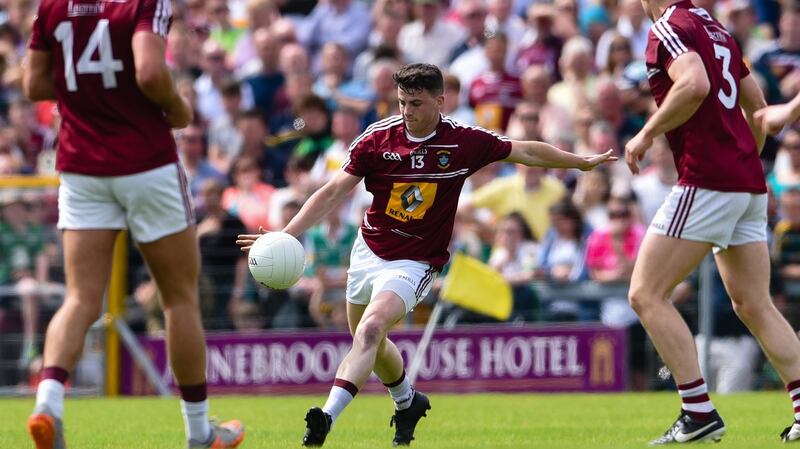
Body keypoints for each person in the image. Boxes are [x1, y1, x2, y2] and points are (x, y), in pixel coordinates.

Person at [237, 63, 615, 447]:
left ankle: (326, 418)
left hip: (414, 263)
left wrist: (580, 162)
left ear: (440, 101)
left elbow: (526, 151)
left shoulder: (463, 141)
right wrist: (285, 235)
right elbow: (333, 191)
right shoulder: (378, 138)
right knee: (368, 342)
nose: (407, 111)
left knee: (370, 330)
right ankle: (407, 402)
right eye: (402, 102)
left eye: (416, 103)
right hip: (368, 251)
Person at [22, 0, 244, 447]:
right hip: (146, 163)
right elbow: (149, 71)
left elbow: (33, 84)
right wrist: (178, 108)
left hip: (81, 166)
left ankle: (48, 402)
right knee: (179, 298)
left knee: (80, 298)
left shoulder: (52, 6)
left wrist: (91, 95)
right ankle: (200, 432)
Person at [623, 0, 800, 444]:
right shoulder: (715, 27)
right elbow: (757, 106)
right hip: (747, 182)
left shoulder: (669, 26)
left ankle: (698, 411)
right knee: (754, 304)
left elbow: (695, 83)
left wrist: (645, 132)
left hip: (707, 179)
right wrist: (745, 161)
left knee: (646, 294)